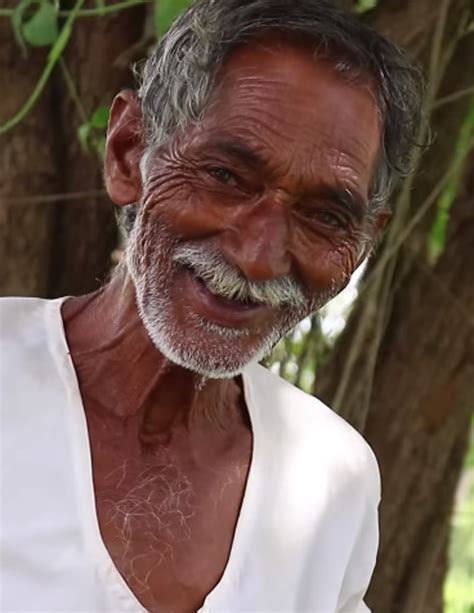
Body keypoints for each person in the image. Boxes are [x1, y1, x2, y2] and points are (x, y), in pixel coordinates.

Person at [0, 0, 423, 611]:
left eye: (324, 215)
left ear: (360, 245)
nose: (259, 256)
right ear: (129, 152)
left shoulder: (334, 481)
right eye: (225, 176)